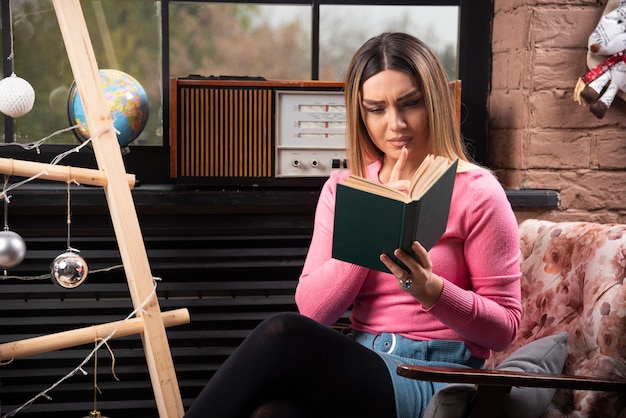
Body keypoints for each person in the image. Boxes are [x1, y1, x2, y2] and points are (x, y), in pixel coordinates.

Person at [184, 32, 522, 418]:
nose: (395, 124)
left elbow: (504, 329)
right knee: (273, 414)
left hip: (436, 376)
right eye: (376, 109)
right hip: (365, 363)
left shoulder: (478, 191)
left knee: (283, 334)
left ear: (434, 103)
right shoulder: (342, 189)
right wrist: (373, 224)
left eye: (410, 104)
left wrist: (432, 290)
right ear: (360, 114)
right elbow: (313, 311)